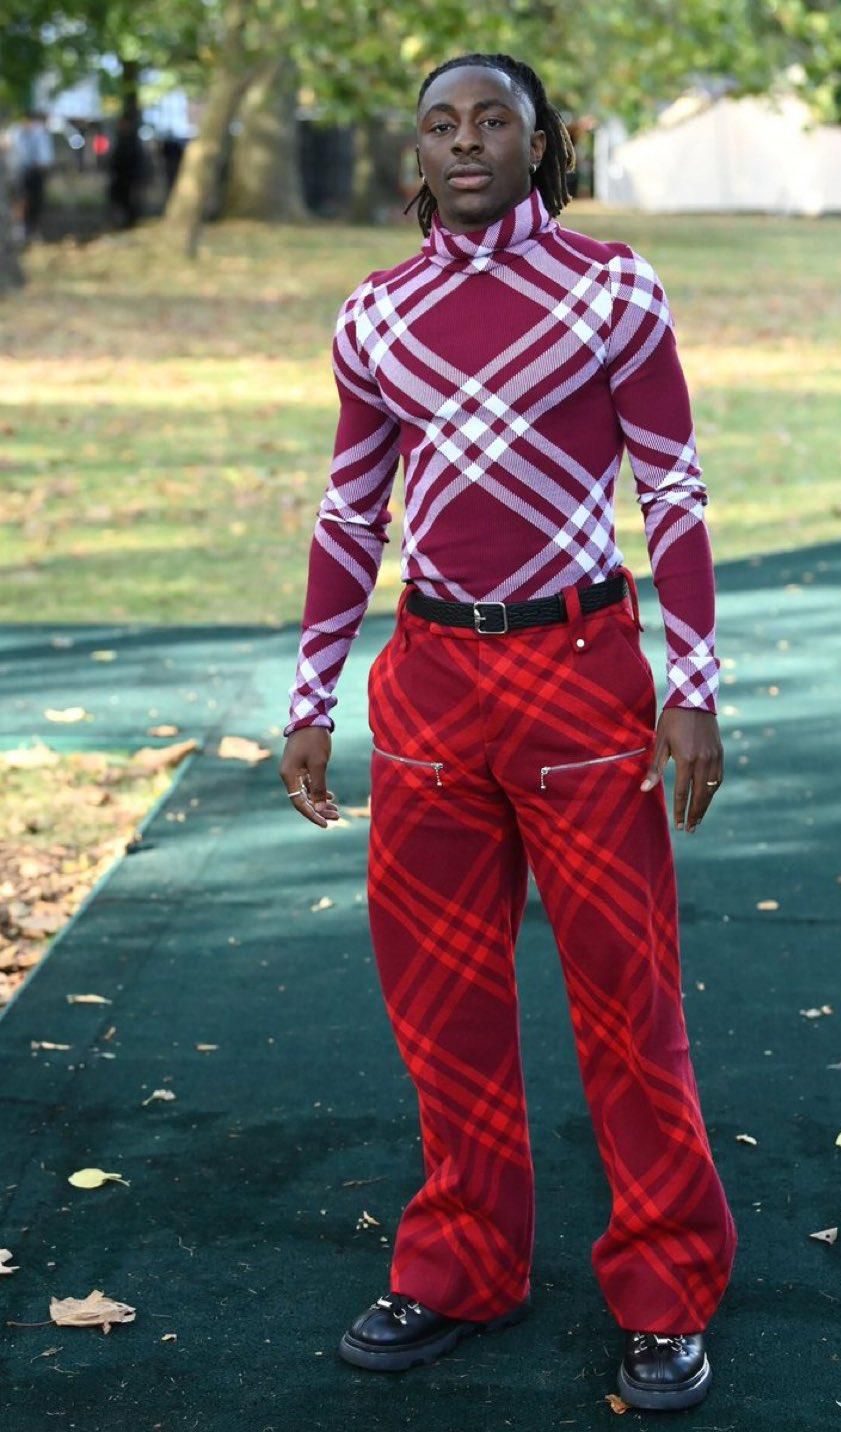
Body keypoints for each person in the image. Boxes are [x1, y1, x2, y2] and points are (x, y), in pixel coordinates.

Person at [279, 51, 738, 1413]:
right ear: (414, 153)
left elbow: (674, 488)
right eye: (440, 124)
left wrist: (694, 683)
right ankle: (460, 1265)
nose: (465, 141)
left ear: (545, 144)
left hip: (583, 672)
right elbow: (351, 514)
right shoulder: (374, 315)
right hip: (427, 677)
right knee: (443, 1006)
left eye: (494, 120)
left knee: (626, 1001)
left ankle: (665, 1289)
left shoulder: (612, 288)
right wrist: (309, 698)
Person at [8, 109, 55, 243]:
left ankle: (31, 228)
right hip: (22, 171)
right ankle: (21, 229)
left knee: (35, 201)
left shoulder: (40, 133)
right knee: (22, 199)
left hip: (35, 172)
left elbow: (45, 158)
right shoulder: (18, 131)